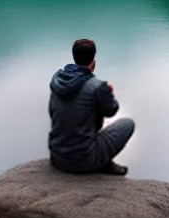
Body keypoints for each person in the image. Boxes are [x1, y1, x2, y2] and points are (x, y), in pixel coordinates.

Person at [48, 37, 135, 176]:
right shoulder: (98, 86)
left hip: (57, 157)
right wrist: (110, 95)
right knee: (128, 124)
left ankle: (97, 158)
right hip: (85, 160)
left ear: (74, 57)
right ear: (93, 62)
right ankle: (102, 162)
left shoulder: (58, 81)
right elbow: (111, 111)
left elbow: (52, 113)